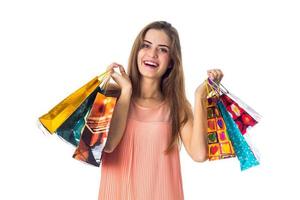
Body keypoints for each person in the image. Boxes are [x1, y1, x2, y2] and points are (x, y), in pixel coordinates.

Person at [98, 21, 224, 200]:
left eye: (163, 49)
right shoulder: (111, 96)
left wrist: (200, 97)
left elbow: (199, 154)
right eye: (146, 46)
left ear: (172, 61)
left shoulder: (176, 106)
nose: (152, 54)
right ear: (137, 51)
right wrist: (125, 92)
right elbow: (108, 145)